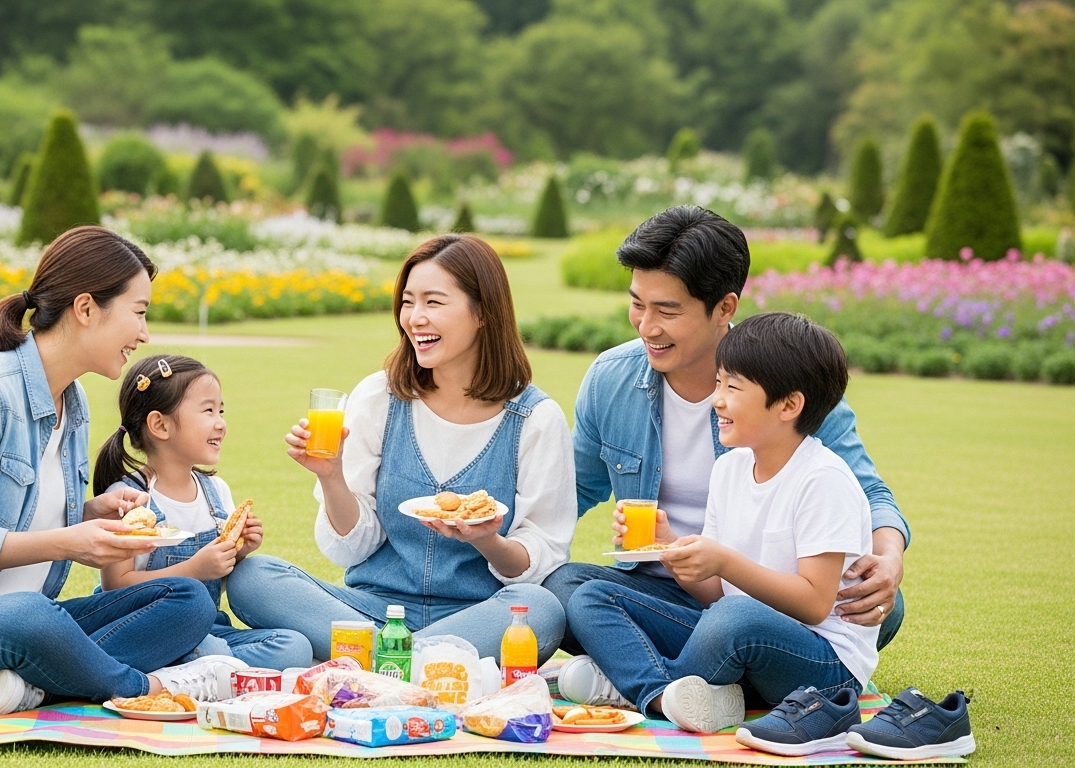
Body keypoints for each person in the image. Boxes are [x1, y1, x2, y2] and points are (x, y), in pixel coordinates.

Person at [0, 226, 232, 717]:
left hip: (29, 625)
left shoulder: (72, 405)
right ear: (86, 308)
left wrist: (94, 512)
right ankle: (150, 686)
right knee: (29, 618)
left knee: (187, 600)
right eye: (138, 312)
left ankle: (33, 686)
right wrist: (72, 540)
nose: (144, 334)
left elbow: (32, 512)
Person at [545, 206, 909, 704]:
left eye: (667, 310)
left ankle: (639, 673)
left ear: (724, 307)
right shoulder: (613, 379)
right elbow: (566, 490)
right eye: (637, 304)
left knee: (878, 602)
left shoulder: (789, 381)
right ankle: (682, 687)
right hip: (675, 592)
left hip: (776, 605)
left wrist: (888, 559)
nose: (646, 327)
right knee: (567, 588)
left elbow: (868, 491)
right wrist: (494, 535)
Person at [227, 234, 572, 662]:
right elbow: (353, 549)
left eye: (433, 302)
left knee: (543, 610)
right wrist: (331, 476)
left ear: (482, 312)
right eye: (408, 302)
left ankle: (382, 660)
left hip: (476, 617)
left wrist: (488, 540)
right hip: (374, 612)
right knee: (253, 576)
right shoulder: (379, 397)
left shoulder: (536, 419)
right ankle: (418, 662)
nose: (415, 318)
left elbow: (538, 564)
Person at [567, 312, 880, 739]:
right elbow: (713, 592)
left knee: (734, 617)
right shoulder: (730, 469)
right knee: (592, 596)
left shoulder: (824, 480)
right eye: (718, 383)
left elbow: (814, 604)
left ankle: (632, 683)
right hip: (733, 632)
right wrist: (673, 549)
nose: (716, 400)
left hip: (824, 664)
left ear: (789, 405)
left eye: (733, 387)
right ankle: (662, 695)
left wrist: (724, 562)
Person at [92, 354, 314, 670]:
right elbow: (116, 585)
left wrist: (236, 553)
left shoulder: (216, 492)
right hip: (153, 632)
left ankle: (211, 669)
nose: (221, 422)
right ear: (160, 425)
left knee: (294, 647)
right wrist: (194, 569)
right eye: (208, 410)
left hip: (211, 629)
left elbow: (215, 574)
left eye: (221, 410)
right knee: (209, 649)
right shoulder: (128, 500)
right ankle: (213, 667)